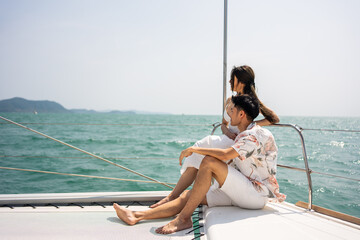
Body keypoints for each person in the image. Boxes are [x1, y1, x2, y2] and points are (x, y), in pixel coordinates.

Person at [113, 94, 285, 234]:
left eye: (232, 111)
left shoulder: (257, 134)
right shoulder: (243, 134)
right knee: (189, 196)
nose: (228, 114)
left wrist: (195, 150)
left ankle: (183, 219)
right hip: (241, 192)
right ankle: (136, 215)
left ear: (241, 115)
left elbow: (226, 154)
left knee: (209, 162)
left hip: (256, 195)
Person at [150, 65, 279, 208]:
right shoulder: (231, 100)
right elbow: (224, 124)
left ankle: (174, 197)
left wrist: (248, 127)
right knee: (198, 151)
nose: (229, 82)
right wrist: (228, 131)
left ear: (241, 81)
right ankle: (174, 196)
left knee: (199, 149)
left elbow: (273, 118)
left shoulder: (249, 102)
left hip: (238, 144)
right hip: (227, 138)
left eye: (232, 79)